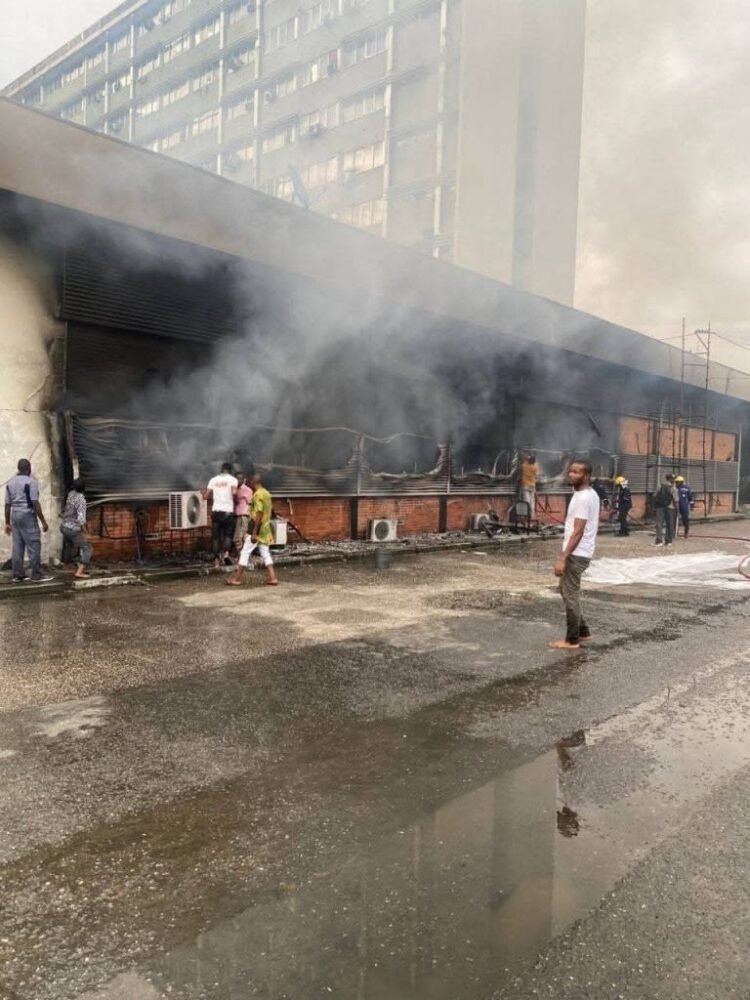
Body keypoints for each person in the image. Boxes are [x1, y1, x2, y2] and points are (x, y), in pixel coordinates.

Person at [549, 459, 600, 651]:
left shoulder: (583, 498)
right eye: (570, 471)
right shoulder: (588, 494)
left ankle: (572, 640)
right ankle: (584, 631)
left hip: (577, 553)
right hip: (581, 551)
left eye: (577, 472)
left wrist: (563, 557)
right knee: (567, 590)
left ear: (586, 476)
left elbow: (578, 531)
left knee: (569, 594)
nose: (571, 475)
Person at [4, 458, 52, 583]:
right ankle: (37, 575)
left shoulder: (10, 482)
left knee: (18, 546)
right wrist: (43, 521)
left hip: (15, 516)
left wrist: (7, 522)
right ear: (29, 468)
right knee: (34, 544)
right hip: (27, 515)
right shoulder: (31, 482)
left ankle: (18, 575)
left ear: (18, 468)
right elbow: (35, 502)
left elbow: (7, 504)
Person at [227, 472, 279, 587]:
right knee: (265, 553)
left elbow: (259, 513)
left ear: (255, 482)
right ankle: (273, 578)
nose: (249, 483)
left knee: (245, 552)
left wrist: (254, 532)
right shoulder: (266, 493)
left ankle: (237, 578)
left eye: (251, 482)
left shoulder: (257, 495)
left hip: (257, 529)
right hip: (265, 528)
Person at [204, 462, 238, 569]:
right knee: (228, 535)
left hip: (216, 512)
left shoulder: (213, 479)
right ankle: (226, 554)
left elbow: (205, 496)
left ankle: (216, 561)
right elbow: (233, 493)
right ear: (230, 470)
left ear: (221, 469)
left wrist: (203, 493)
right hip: (227, 511)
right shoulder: (233, 479)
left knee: (215, 537)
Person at [61, 478, 93, 579]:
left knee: (69, 544)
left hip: (64, 526)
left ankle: (67, 565)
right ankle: (80, 571)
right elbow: (81, 520)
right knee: (88, 548)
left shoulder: (71, 493)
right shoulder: (81, 500)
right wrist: (87, 533)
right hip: (72, 529)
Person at [232, 472, 253, 558]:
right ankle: (242, 557)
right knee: (239, 538)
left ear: (244, 480)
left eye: (240, 478)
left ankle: (242, 557)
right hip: (236, 516)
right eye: (237, 478)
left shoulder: (247, 490)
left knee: (238, 538)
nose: (238, 480)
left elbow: (250, 503)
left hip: (243, 516)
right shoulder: (234, 489)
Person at [653, 474, 677, 546]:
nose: (674, 480)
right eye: (673, 479)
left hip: (660, 507)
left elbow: (654, 495)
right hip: (670, 507)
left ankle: (659, 540)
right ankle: (668, 541)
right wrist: (677, 508)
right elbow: (676, 499)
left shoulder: (660, 486)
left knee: (659, 523)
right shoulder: (673, 488)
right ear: (669, 479)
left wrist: (655, 506)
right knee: (670, 524)